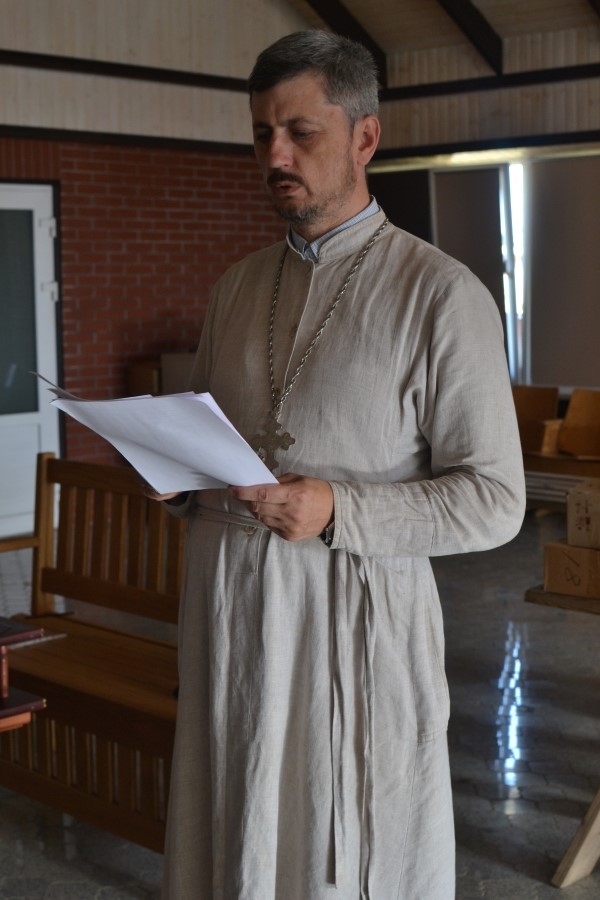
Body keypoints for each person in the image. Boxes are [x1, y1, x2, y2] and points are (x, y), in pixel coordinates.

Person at [157, 29, 525, 900]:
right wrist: (172, 470)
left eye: (300, 132)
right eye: (261, 134)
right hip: (230, 616)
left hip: (348, 621)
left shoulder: (440, 294)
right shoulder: (237, 287)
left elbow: (496, 500)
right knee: (232, 823)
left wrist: (339, 509)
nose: (274, 156)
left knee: (340, 847)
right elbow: (214, 441)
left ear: (365, 137)